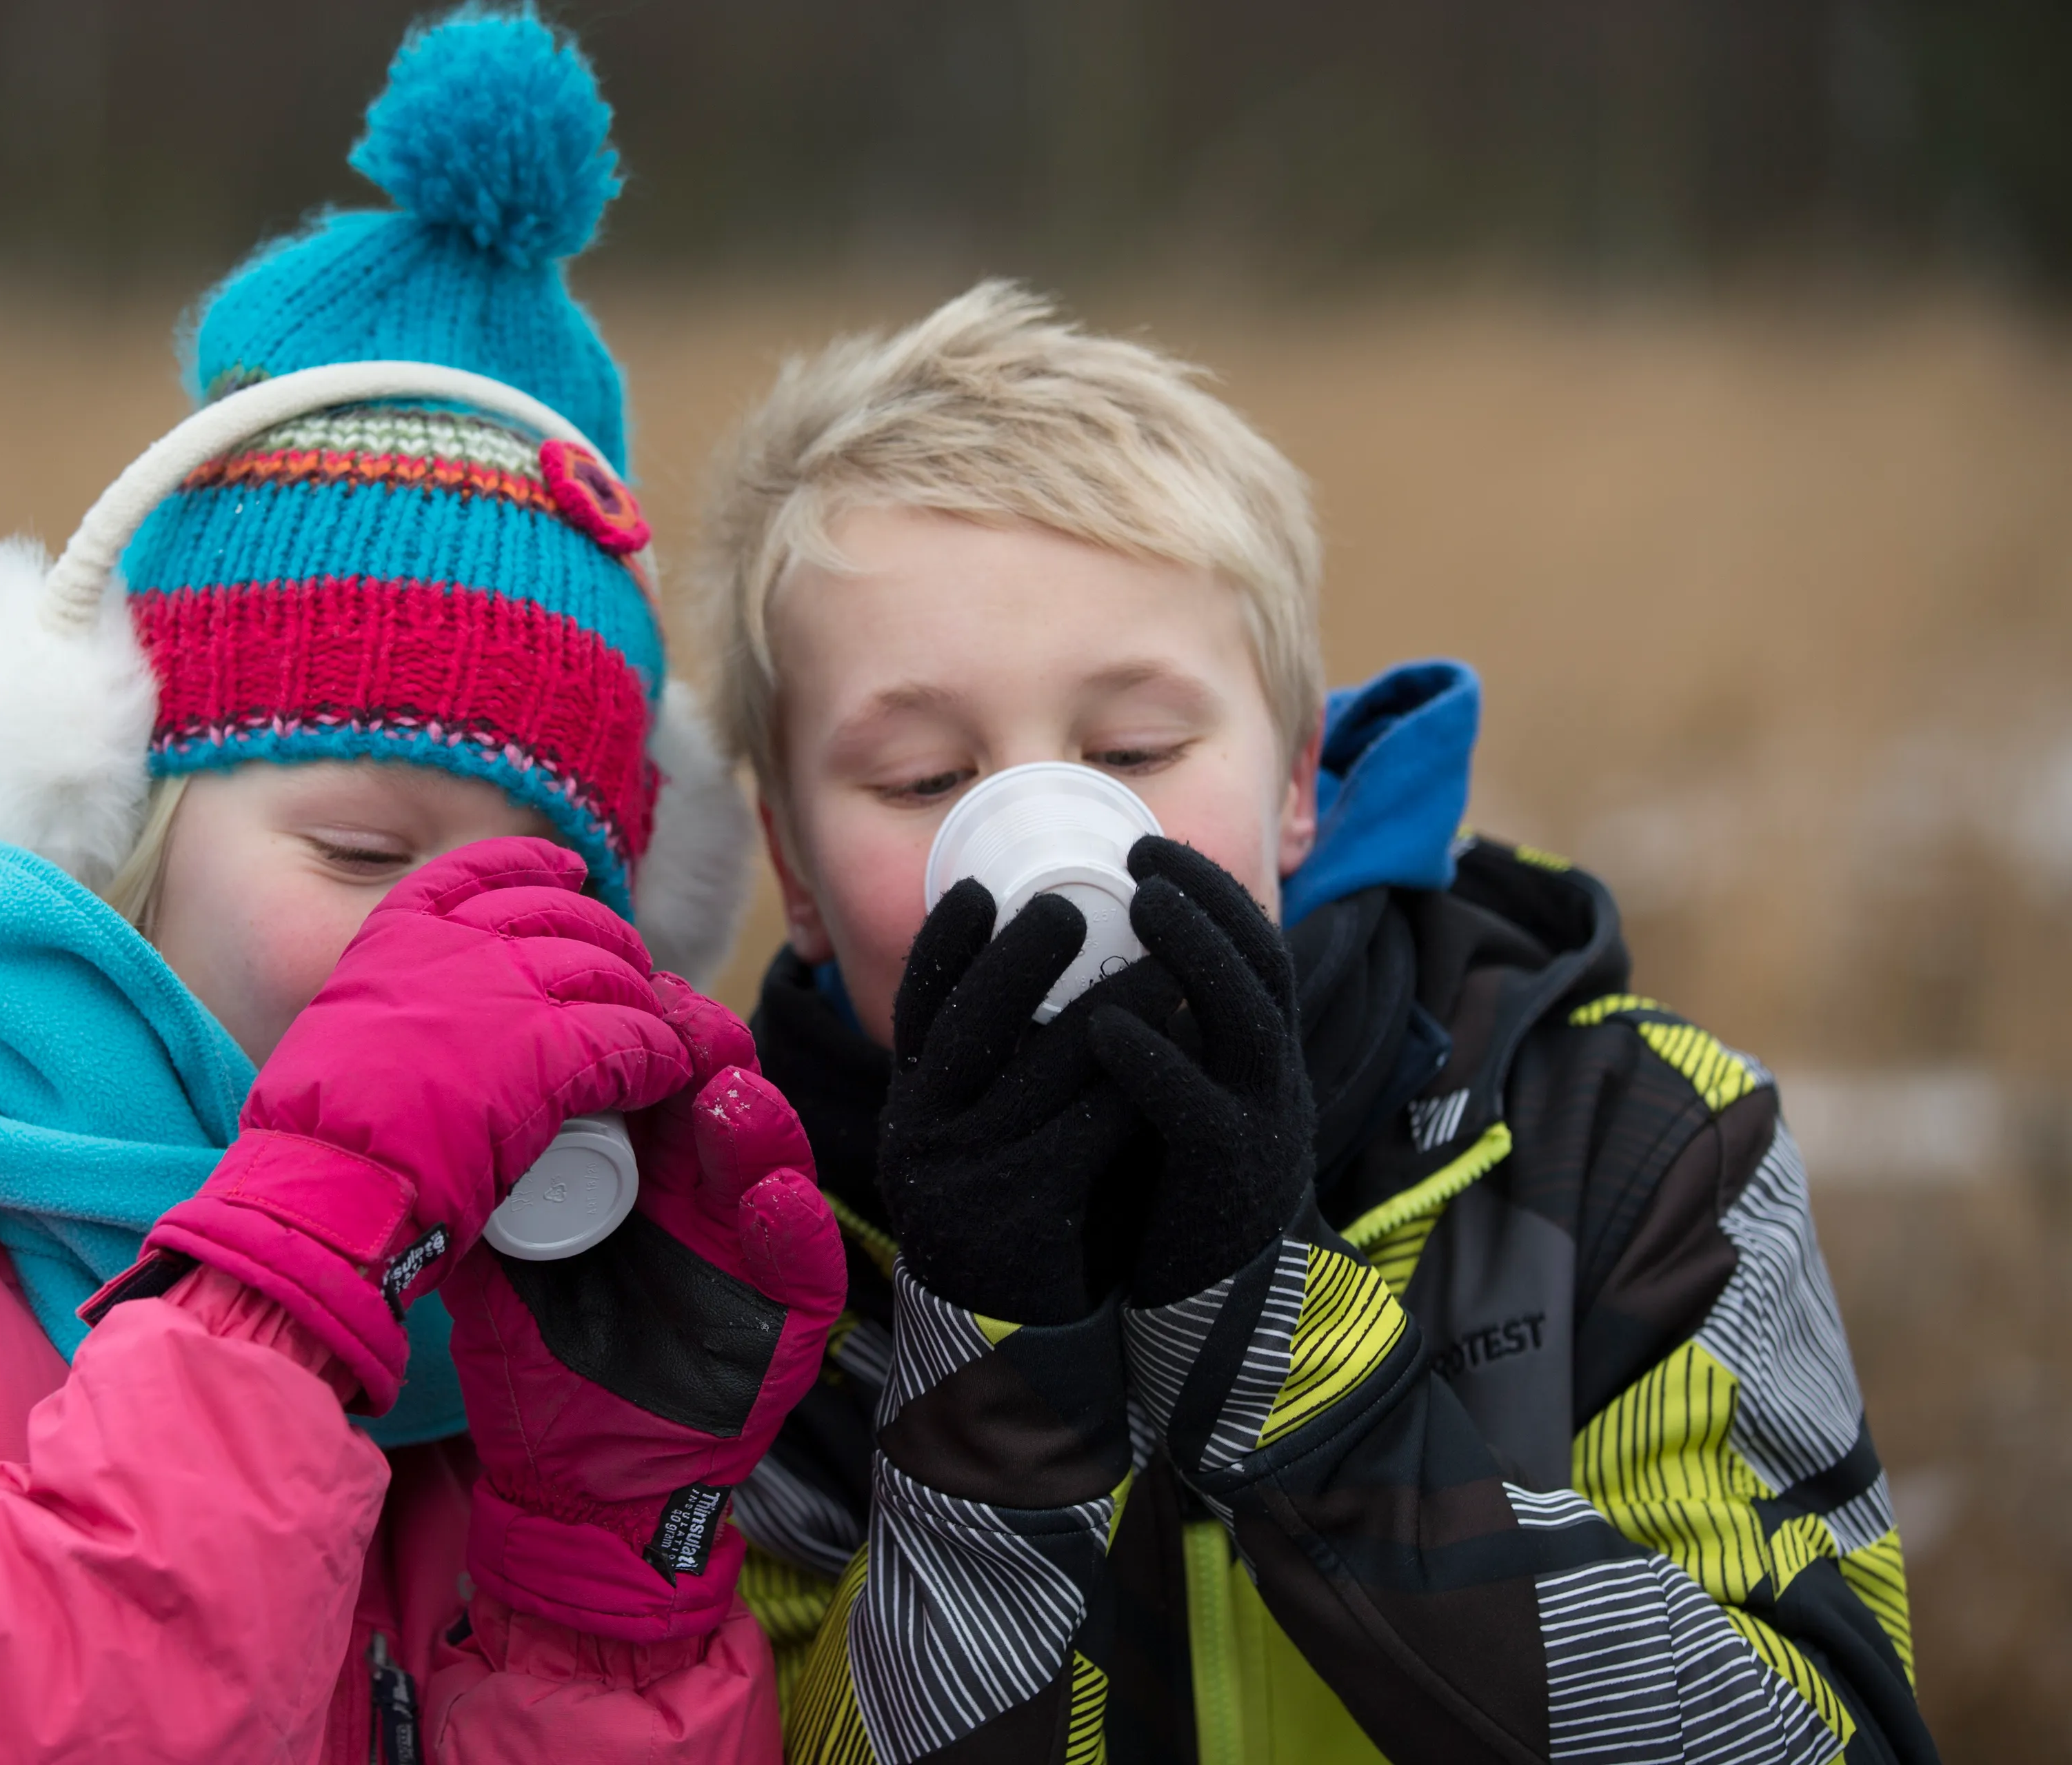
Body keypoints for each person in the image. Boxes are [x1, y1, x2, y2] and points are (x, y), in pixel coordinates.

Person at [0, 13, 842, 1761]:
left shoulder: (522, 1375)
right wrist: (291, 1267)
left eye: (542, 894)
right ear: (117, 824)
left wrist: (599, 1577)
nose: (446, 950)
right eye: (360, 852)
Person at [698, 283, 1933, 1762]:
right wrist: (991, 1377)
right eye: (922, 778)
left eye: (1134, 749)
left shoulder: (1633, 1139)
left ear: (1296, 785)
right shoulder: (735, 1267)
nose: (1048, 856)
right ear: (794, 871)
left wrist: (1276, 1335)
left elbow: (1815, 1738)